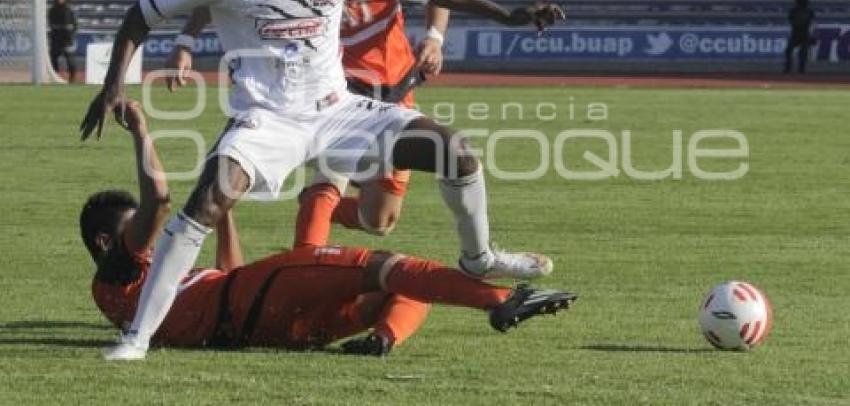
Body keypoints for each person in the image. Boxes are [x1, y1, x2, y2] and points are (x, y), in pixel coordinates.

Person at [80, 0, 565, 360]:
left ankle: (478, 258)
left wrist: (507, 15)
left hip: (339, 110)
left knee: (454, 151)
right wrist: (112, 86)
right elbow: (142, 12)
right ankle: (137, 338)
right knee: (204, 206)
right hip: (266, 118)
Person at [82, 99, 577, 355]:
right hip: (253, 302)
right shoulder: (117, 276)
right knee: (386, 266)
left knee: (403, 285)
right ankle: (498, 300)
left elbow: (223, 273)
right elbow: (161, 201)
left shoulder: (147, 288)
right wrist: (143, 131)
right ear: (108, 242)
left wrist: (222, 210)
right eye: (133, 230)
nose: (146, 238)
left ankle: (382, 339)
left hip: (266, 323)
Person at [166, 0, 451, 245]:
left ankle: (318, 210)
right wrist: (186, 40)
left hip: (395, 82)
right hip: (336, 87)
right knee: (331, 176)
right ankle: (304, 264)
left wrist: (434, 37)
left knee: (380, 220)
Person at [48, 0, 78, 82]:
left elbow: (75, 24)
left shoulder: (69, 10)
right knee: (53, 59)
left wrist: (71, 34)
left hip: (67, 40)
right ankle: (55, 77)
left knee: (71, 61)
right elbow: (51, 23)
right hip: (56, 40)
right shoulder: (52, 10)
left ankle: (72, 79)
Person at [784, 0, 815, 74]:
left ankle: (799, 69)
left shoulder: (808, 11)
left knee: (802, 52)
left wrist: (811, 34)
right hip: (797, 34)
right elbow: (790, 21)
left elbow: (812, 23)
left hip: (803, 34)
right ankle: (789, 68)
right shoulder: (794, 10)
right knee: (789, 51)